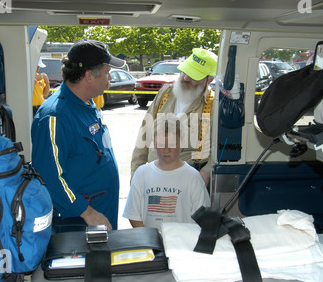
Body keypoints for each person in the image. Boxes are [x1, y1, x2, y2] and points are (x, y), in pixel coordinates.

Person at [31, 39, 125, 231]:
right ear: (89, 76)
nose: (110, 79)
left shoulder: (87, 104)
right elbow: (50, 177)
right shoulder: (54, 116)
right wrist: (87, 212)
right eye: (107, 73)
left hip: (102, 212)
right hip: (80, 222)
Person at [131, 48, 217, 186]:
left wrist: (206, 172)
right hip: (154, 179)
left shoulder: (213, 105)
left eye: (194, 75)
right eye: (185, 71)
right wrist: (136, 172)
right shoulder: (165, 94)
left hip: (188, 183)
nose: (186, 78)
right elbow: (144, 133)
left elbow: (219, 149)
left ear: (209, 80)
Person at [123, 115, 211, 231]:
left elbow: (203, 219)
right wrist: (150, 239)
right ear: (154, 143)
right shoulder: (142, 174)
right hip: (151, 244)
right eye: (161, 144)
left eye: (172, 144)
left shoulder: (193, 178)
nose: (166, 150)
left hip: (182, 244)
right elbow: (133, 215)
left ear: (182, 143)